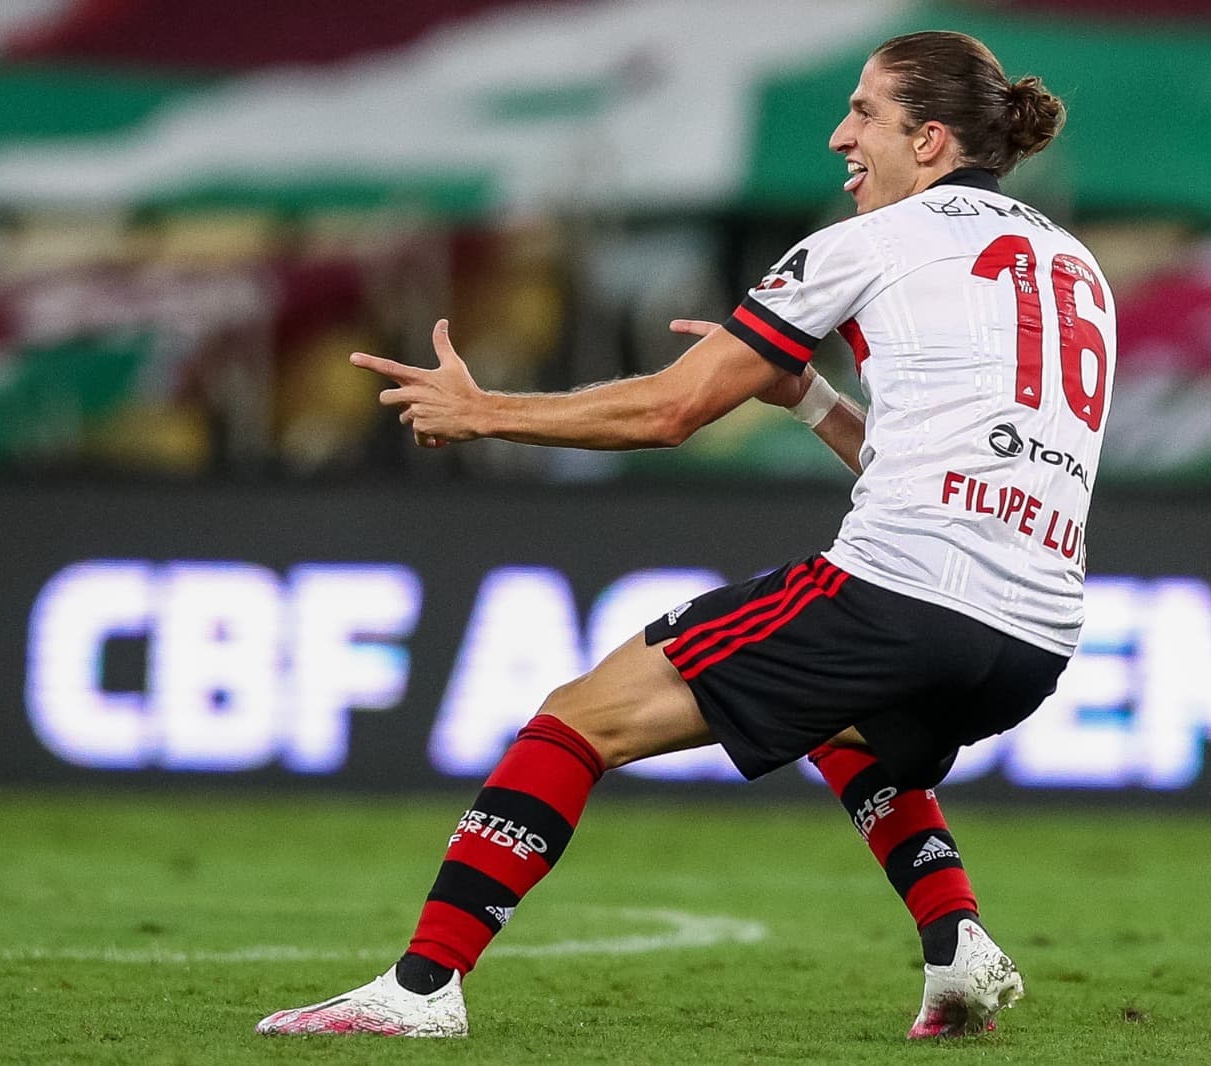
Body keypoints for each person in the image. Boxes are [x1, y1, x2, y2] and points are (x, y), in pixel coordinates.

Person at [257, 29, 1109, 1040]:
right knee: (838, 725)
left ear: (928, 140)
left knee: (574, 721)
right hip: (1034, 638)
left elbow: (668, 411)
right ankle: (955, 948)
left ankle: (420, 987)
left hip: (904, 591)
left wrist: (486, 412)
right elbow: (937, 462)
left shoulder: (869, 243)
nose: (840, 135)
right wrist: (805, 398)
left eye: (864, 112)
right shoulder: (1070, 265)